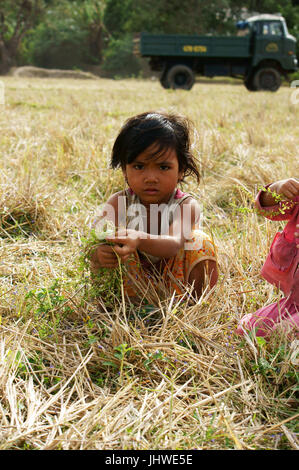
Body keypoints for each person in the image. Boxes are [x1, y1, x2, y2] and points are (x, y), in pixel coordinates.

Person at [90, 111, 218, 301]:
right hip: (132, 293)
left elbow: (173, 244)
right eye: (139, 167)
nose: (151, 178)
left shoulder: (186, 205)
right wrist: (98, 255)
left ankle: (196, 305)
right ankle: (118, 308)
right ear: (125, 169)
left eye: (163, 167)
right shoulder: (119, 203)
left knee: (200, 241)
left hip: (176, 293)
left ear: (181, 170)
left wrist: (139, 239)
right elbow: (95, 240)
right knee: (104, 243)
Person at [237, 178, 299, 337]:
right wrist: (278, 189)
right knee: (249, 329)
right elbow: (264, 208)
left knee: (284, 335)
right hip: (295, 302)